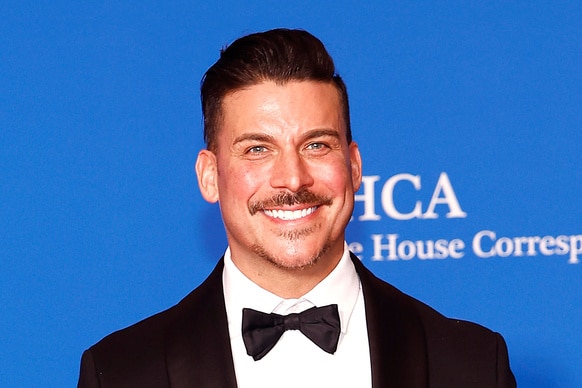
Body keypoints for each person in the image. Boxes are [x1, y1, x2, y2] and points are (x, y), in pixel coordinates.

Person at [77, 28, 516, 388]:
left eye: (317, 145)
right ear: (209, 176)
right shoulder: (120, 373)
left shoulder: (473, 366)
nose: (293, 178)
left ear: (355, 165)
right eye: (256, 149)